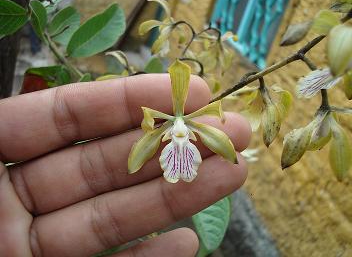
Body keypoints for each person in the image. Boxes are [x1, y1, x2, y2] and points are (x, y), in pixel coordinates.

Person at [0, 74, 251, 257]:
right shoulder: (162, 130)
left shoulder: (187, 130)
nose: (179, 137)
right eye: (176, 136)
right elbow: (139, 155)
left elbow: (223, 144)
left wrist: (221, 150)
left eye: (180, 136)